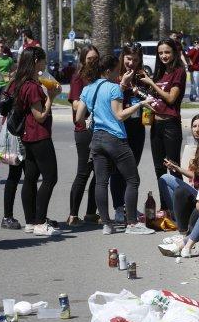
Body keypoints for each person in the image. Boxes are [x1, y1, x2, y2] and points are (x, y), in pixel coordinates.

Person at [75, 54, 155, 235]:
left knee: (101, 182)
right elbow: (119, 115)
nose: (120, 72)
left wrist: (94, 118)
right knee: (132, 179)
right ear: (109, 71)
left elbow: (79, 118)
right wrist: (141, 103)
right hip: (115, 138)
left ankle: (107, 224)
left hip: (96, 139)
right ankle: (133, 224)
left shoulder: (89, 88)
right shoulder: (113, 89)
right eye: (118, 69)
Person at [5, 46, 62, 236]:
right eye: (43, 60)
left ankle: (31, 221)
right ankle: (39, 221)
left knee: (30, 177)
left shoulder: (21, 82)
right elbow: (40, 116)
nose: (45, 64)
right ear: (36, 61)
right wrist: (51, 98)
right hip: (39, 135)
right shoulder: (32, 87)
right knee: (50, 177)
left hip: (27, 136)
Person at [139, 38, 187, 213]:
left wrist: (151, 83)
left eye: (167, 52)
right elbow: (155, 99)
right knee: (159, 168)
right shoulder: (159, 73)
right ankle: (165, 207)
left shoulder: (179, 72)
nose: (164, 56)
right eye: (160, 53)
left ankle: (180, 209)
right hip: (155, 126)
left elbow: (170, 98)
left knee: (172, 167)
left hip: (171, 126)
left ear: (174, 53)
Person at [110, 42, 147, 223]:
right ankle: (119, 208)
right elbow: (111, 99)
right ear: (122, 58)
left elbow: (148, 97)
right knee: (118, 170)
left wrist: (140, 90)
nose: (131, 63)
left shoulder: (141, 76)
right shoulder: (116, 77)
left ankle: (129, 205)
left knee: (132, 169)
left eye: (134, 59)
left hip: (137, 127)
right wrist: (124, 85)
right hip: (119, 127)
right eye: (128, 59)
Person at [159, 113, 199, 234]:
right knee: (164, 178)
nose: (196, 130)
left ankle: (179, 220)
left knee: (169, 182)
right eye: (194, 126)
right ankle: (178, 215)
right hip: (197, 189)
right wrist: (176, 168)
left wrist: (178, 169)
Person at [67, 45, 100, 227]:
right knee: (83, 172)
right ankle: (73, 214)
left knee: (99, 172)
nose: (93, 62)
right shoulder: (79, 78)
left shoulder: (99, 78)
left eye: (96, 58)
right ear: (83, 60)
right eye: (89, 59)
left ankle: (90, 212)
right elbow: (75, 105)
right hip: (84, 131)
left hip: (100, 130)